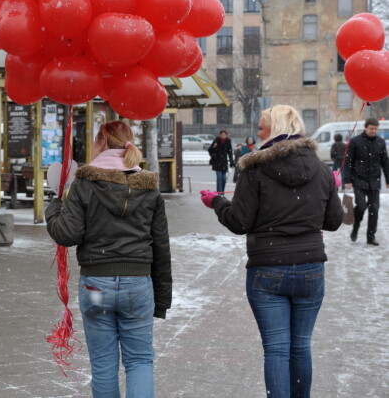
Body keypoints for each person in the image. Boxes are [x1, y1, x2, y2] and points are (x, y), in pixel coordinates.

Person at [200, 105, 342, 398]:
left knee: (277, 349)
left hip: (268, 270)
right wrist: (330, 191)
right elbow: (333, 221)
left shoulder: (255, 169)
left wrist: (217, 203)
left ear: (275, 129)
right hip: (310, 269)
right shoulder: (320, 169)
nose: (257, 132)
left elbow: (239, 222)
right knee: (301, 346)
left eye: (262, 127)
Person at [45, 120, 172, 398]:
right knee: (139, 361)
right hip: (138, 285)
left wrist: (54, 207)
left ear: (102, 141)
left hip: (96, 286)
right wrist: (162, 299)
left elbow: (66, 234)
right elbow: (161, 246)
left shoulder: (85, 183)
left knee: (103, 365)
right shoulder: (149, 188)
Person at [343, 117, 389, 246]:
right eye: (371, 128)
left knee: (374, 208)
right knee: (362, 206)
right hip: (359, 180)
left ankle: (371, 236)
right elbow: (349, 161)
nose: (373, 131)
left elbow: (385, 161)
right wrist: (347, 179)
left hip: (375, 181)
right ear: (365, 128)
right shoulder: (355, 141)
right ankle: (355, 228)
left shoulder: (380, 142)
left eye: (375, 129)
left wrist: (388, 179)